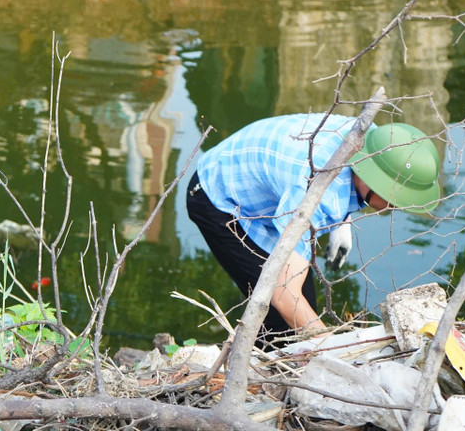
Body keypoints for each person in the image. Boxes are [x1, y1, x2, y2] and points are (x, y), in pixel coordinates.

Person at [186, 114, 441, 341]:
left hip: (275, 190)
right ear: (375, 179)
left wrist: (343, 221)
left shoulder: (370, 138)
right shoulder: (318, 193)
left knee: (304, 309)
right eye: (396, 200)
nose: (397, 207)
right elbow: (282, 294)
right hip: (219, 196)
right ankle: (260, 378)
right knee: (282, 321)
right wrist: (331, 349)